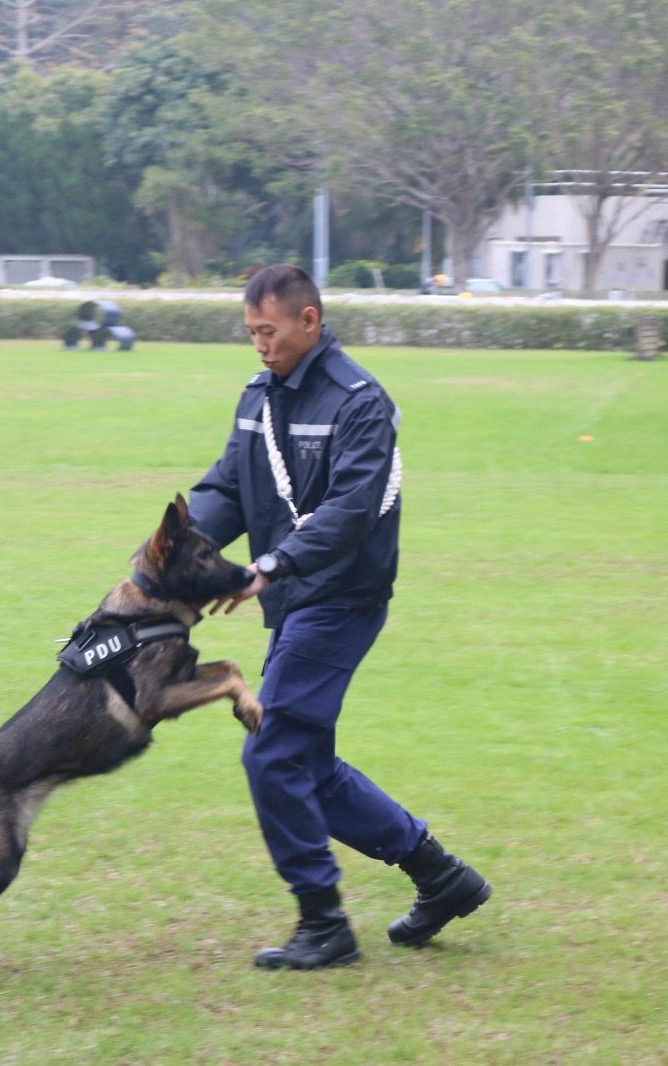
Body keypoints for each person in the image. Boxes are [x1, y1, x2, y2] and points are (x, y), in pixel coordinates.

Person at [189, 264, 491, 970]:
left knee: (271, 753)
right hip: (293, 599)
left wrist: (272, 565)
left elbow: (353, 511)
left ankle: (323, 923)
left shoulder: (361, 402)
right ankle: (441, 878)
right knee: (307, 766)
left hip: (341, 598)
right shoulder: (258, 397)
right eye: (250, 334)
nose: (259, 346)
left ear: (309, 322)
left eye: (268, 332)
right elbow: (228, 487)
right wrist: (177, 551)